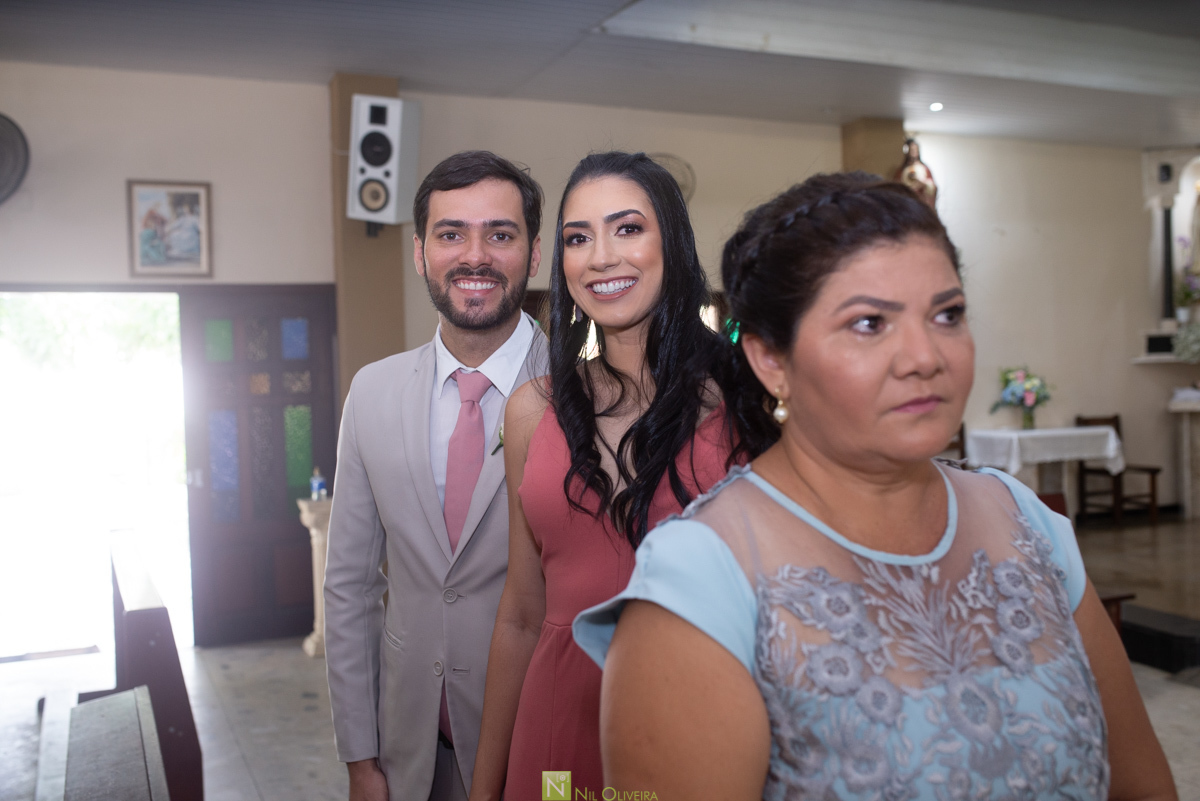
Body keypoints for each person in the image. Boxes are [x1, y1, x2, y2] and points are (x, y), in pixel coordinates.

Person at [575, 173, 1178, 800]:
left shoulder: (1023, 518)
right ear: (772, 360)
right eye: (869, 323)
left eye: (947, 315)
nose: (925, 356)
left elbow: (1142, 785)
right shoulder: (699, 578)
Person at [469, 152, 773, 801]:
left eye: (627, 228)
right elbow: (521, 611)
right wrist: (484, 787)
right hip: (559, 723)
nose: (601, 257)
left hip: (700, 717)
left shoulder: (743, 403)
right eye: (578, 238)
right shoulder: (532, 411)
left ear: (672, 243)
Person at [324, 150, 548, 801]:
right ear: (420, 253)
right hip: (408, 753)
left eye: (499, 234)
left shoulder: (586, 397)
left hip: (539, 749)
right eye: (451, 234)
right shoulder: (372, 392)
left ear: (533, 254)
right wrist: (360, 758)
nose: (475, 257)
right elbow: (349, 587)